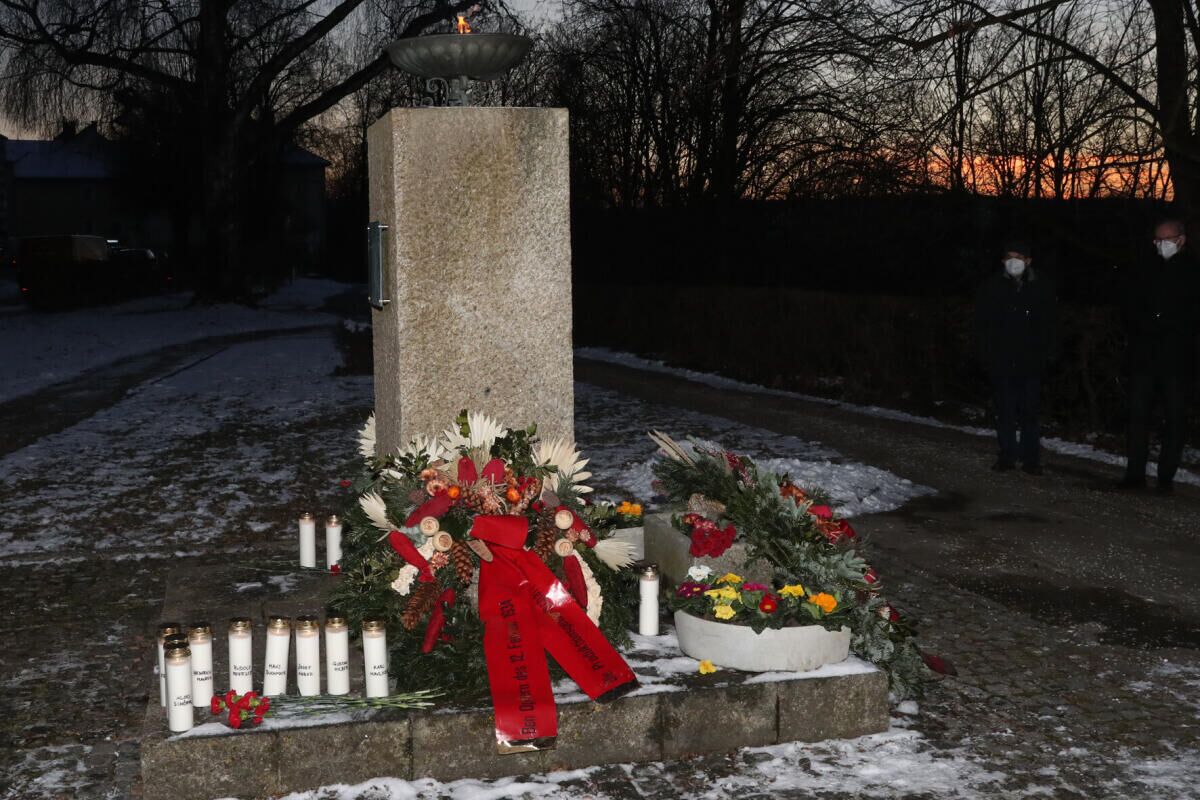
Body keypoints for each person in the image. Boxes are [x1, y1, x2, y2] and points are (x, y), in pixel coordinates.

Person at [1117, 218, 1200, 494]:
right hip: (1144, 357)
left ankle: (1166, 477)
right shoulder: (1144, 269)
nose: (1161, 245)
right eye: (1157, 240)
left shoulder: (1192, 271)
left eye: (1167, 240)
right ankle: (1135, 474)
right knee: (1137, 416)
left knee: (1175, 418)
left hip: (1176, 359)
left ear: (1181, 240)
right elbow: (1129, 306)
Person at [975, 240, 1058, 474]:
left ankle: (1031, 459)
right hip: (1001, 360)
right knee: (1006, 411)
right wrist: (984, 353)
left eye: (1019, 257)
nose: (1014, 262)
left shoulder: (1041, 286)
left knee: (1030, 412)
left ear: (1028, 261)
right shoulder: (992, 286)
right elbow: (981, 323)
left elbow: (1050, 322)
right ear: (1003, 260)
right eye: (1010, 257)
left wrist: (1050, 352)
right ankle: (1007, 456)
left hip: (1031, 360)